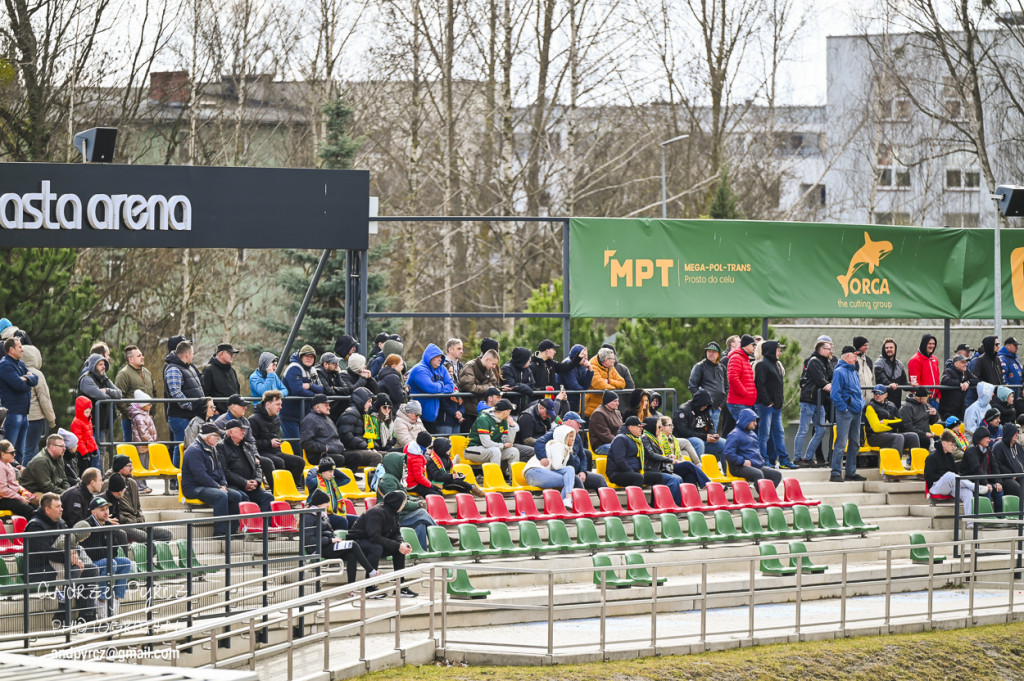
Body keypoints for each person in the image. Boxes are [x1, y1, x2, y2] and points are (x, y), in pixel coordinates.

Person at [25, 493, 100, 624]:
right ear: (47, 509)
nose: (62, 509)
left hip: (61, 565)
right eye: (58, 506)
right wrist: (69, 558)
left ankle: (87, 616)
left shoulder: (61, 522)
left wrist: (74, 555)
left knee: (92, 569)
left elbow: (71, 542)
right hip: (38, 570)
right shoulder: (34, 526)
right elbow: (45, 552)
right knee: (73, 570)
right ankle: (62, 614)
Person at [346, 490, 417, 597]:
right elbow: (374, 537)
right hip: (358, 541)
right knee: (376, 547)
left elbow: (396, 533)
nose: (404, 504)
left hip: (373, 541)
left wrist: (401, 544)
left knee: (399, 550)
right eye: (403, 502)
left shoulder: (394, 513)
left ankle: (400, 587)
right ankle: (369, 587)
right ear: (396, 503)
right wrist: (397, 545)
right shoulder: (376, 512)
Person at [181, 422, 246, 538]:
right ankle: (220, 532)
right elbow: (200, 476)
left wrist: (223, 484)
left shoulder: (213, 448)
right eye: (217, 436)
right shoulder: (194, 450)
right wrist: (217, 486)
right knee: (221, 495)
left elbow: (220, 470)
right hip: (194, 487)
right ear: (209, 436)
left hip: (210, 485)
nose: (219, 439)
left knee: (236, 495)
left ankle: (232, 531)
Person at [303, 488, 377, 588]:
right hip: (318, 549)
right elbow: (309, 541)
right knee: (353, 544)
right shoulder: (309, 517)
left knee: (352, 554)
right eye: (326, 503)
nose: (328, 505)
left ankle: (351, 589)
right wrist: (330, 540)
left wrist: (335, 539)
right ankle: (371, 571)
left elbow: (328, 532)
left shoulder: (323, 515)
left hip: (328, 545)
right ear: (319, 504)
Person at [73, 496, 132, 617]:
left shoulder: (107, 525)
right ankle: (102, 601)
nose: (106, 512)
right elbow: (93, 553)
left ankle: (115, 600)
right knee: (111, 562)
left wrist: (108, 544)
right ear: (93, 512)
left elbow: (114, 550)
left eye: (107, 509)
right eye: (102, 509)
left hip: (104, 560)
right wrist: (107, 550)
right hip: (90, 564)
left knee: (125, 562)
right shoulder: (88, 525)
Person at [605, 416, 683, 503]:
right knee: (638, 477)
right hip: (618, 473)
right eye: (639, 426)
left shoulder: (636, 439)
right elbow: (620, 460)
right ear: (630, 427)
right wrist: (632, 472)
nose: (641, 429)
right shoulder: (621, 439)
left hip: (636, 472)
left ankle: (657, 504)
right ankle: (636, 506)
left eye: (642, 427)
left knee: (657, 477)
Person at [374, 452, 437, 551]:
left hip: (399, 515)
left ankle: (421, 551)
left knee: (420, 524)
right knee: (422, 513)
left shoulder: (394, 479)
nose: (404, 466)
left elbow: (406, 497)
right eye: (402, 464)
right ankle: (439, 534)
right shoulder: (388, 480)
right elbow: (397, 503)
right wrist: (417, 505)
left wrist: (417, 500)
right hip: (391, 518)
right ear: (394, 464)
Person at [103, 454, 172, 542]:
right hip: (123, 525)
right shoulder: (109, 484)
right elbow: (113, 511)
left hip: (137, 523)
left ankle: (146, 555)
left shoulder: (132, 482)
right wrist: (129, 520)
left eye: (132, 465)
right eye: (129, 466)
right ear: (120, 469)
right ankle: (146, 552)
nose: (132, 468)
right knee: (143, 536)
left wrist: (140, 519)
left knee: (166, 534)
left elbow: (138, 508)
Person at [534, 411, 606, 491]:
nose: (580, 425)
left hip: (577, 471)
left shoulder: (577, 436)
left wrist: (583, 471)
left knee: (600, 479)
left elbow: (582, 456)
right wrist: (543, 457)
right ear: (569, 422)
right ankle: (582, 502)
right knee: (576, 480)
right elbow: (539, 442)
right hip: (563, 473)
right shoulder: (556, 432)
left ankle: (609, 503)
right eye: (578, 422)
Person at [248, 390, 307, 487]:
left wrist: (277, 442)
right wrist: (269, 443)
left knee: (299, 461)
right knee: (278, 462)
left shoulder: (276, 418)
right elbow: (251, 444)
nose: (280, 407)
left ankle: (291, 487)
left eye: (281, 404)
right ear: (268, 404)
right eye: (277, 404)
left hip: (276, 452)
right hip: (261, 453)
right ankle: (279, 489)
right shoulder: (253, 419)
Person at [925, 429, 989, 517]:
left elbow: (956, 474)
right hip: (935, 486)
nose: (953, 447)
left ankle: (969, 522)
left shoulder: (950, 457)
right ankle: (975, 487)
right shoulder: (931, 457)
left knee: (967, 492)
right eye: (951, 445)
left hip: (950, 486)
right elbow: (929, 477)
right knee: (949, 475)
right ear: (944, 444)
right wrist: (944, 476)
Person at [218, 418, 275, 513]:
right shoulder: (220, 447)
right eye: (241, 429)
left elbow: (257, 467)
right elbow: (225, 471)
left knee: (268, 497)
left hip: (252, 486)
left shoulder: (247, 446)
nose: (244, 432)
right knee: (243, 497)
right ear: (231, 432)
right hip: (233, 486)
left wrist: (257, 481)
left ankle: (265, 526)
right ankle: (249, 526)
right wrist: (244, 483)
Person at [753, 340, 795, 469]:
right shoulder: (762, 364)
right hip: (765, 406)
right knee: (764, 434)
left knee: (779, 433)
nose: (780, 352)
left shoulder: (776, 364)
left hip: (776, 407)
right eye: (778, 350)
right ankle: (762, 459)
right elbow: (759, 385)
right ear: (771, 350)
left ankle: (783, 459)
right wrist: (767, 401)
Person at [464, 399, 530, 477]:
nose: (510, 413)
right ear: (505, 412)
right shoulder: (484, 418)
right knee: (495, 451)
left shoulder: (504, 420)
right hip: (472, 450)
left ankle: (512, 479)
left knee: (513, 451)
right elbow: (487, 443)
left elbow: (509, 442)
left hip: (491, 449)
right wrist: (503, 446)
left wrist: (512, 426)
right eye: (510, 411)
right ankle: (494, 478)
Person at [794, 339, 834, 467]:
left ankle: (808, 458)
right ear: (821, 350)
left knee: (821, 430)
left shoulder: (826, 362)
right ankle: (797, 458)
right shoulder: (814, 361)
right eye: (828, 349)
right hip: (808, 400)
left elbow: (831, 378)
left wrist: (830, 384)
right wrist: (828, 385)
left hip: (819, 401)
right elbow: (821, 380)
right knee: (803, 430)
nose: (830, 351)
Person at [830, 345, 866, 483]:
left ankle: (851, 472)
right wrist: (843, 408)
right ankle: (835, 473)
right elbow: (835, 394)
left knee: (855, 443)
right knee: (841, 443)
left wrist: (860, 403)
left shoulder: (853, 371)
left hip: (856, 410)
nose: (856, 357)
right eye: (854, 354)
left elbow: (857, 392)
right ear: (846, 356)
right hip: (846, 412)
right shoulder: (840, 372)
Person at [0, 337, 39, 464]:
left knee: (19, 454)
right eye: (19, 347)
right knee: (8, 452)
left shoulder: (20, 364)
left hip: (23, 414)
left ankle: (15, 479)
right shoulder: (5, 365)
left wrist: (26, 379)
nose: (22, 350)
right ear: (11, 350)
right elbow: (19, 384)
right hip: (12, 413)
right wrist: (27, 380)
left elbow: (35, 378)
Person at [405, 344, 459, 435]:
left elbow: (450, 386)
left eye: (441, 357)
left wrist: (436, 387)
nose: (440, 359)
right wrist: (441, 384)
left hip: (432, 417)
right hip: (417, 418)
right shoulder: (419, 369)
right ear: (430, 357)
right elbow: (430, 388)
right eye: (437, 357)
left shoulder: (442, 369)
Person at [723, 409, 783, 488]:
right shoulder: (734, 434)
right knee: (758, 474)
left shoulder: (752, 433)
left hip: (755, 465)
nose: (756, 423)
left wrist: (761, 460)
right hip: (739, 467)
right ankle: (763, 498)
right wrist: (742, 461)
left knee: (777, 474)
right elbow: (728, 453)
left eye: (756, 421)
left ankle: (768, 496)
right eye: (753, 421)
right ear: (746, 420)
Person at [163, 339, 205, 446]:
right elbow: (176, 393)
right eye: (193, 354)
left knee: (190, 446)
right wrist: (192, 405)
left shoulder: (189, 367)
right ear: (187, 355)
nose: (193, 356)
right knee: (181, 446)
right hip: (180, 416)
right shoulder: (173, 369)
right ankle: (178, 464)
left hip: (190, 415)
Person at [522, 424, 578, 505]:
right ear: (563, 437)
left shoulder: (565, 449)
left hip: (541, 473)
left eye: (573, 436)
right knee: (567, 478)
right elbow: (557, 466)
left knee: (569, 471)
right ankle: (562, 503)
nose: (573, 439)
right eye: (570, 436)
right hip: (534, 472)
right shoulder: (557, 445)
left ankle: (565, 501)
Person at [114, 345, 156, 445]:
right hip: (130, 421)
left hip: (148, 419)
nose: (143, 357)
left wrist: (152, 413)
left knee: (148, 448)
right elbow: (118, 398)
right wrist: (130, 415)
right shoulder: (123, 374)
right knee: (132, 448)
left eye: (141, 355)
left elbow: (154, 393)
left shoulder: (147, 373)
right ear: (131, 359)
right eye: (139, 356)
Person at [300, 394, 354, 470]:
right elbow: (305, 443)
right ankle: (335, 478)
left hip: (334, 452)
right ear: (317, 407)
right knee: (339, 459)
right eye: (326, 405)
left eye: (328, 405)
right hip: (318, 455)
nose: (329, 407)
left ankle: (347, 477)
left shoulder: (327, 418)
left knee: (355, 457)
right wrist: (325, 448)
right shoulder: (310, 420)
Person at [864, 385, 919, 459]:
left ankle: (915, 463)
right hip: (874, 437)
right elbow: (876, 428)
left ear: (886, 395)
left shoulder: (891, 405)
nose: (877, 395)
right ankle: (894, 465)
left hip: (890, 435)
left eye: (880, 393)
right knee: (898, 437)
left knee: (913, 436)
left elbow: (901, 422)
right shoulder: (870, 407)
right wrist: (893, 424)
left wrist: (885, 422)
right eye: (875, 393)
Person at [336, 387, 386, 468]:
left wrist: (373, 447)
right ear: (361, 400)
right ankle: (370, 479)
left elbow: (368, 436)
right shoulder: (351, 413)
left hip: (361, 447)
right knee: (376, 457)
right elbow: (346, 436)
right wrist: (365, 447)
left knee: (389, 456)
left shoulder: (363, 414)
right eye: (369, 401)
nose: (371, 405)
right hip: (350, 450)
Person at [281, 345, 325, 439]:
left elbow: (321, 388)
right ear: (301, 357)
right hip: (290, 415)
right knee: (295, 445)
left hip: (306, 415)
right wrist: (315, 395)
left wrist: (309, 385)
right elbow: (297, 390)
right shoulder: (293, 368)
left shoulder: (312, 369)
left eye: (311, 357)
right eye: (306, 356)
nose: (309, 359)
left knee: (306, 444)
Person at [672, 388, 725, 464]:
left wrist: (712, 435)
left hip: (704, 438)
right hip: (687, 440)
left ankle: (728, 472)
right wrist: (704, 437)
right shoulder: (683, 411)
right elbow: (683, 431)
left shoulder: (705, 410)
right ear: (698, 403)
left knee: (724, 443)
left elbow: (711, 426)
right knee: (698, 442)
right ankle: (699, 471)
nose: (705, 407)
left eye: (707, 405)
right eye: (704, 405)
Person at [653, 416, 709, 487]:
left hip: (675, 465)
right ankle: (707, 483)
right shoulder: (658, 440)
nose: (672, 427)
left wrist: (681, 463)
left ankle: (692, 497)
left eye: (672, 425)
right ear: (662, 427)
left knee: (690, 475)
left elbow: (680, 456)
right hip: (665, 467)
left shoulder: (674, 440)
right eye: (669, 425)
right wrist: (679, 462)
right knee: (688, 464)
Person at [22, 344, 55, 458]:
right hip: (34, 418)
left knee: (19, 449)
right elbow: (44, 399)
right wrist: (51, 419)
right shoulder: (37, 374)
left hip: (18, 416)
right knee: (30, 450)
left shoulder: (15, 371)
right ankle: (28, 475)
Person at [961, 426, 1004, 514]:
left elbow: (995, 467)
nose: (989, 440)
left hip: (983, 481)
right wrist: (985, 483)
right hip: (971, 482)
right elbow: (976, 469)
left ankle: (999, 517)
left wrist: (998, 482)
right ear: (979, 439)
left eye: (989, 438)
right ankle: (987, 517)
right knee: (985, 490)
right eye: (986, 438)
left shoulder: (987, 450)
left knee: (999, 490)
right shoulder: (971, 450)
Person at [688, 341, 726, 431]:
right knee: (704, 433)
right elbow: (692, 386)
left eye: (713, 352)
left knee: (713, 433)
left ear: (718, 354)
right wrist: (702, 403)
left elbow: (726, 387)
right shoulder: (699, 366)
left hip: (717, 408)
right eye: (709, 351)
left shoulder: (722, 367)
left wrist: (722, 404)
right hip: (704, 408)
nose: (711, 354)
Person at [458, 348, 503, 422]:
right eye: (493, 364)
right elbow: (469, 386)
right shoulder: (470, 366)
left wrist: (485, 387)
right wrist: (488, 388)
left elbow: (494, 384)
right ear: (487, 359)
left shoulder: (489, 369)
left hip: (483, 410)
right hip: (469, 411)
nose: (494, 367)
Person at [126, 391, 156, 493]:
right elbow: (143, 433)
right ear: (143, 405)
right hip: (142, 445)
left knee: (145, 465)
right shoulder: (139, 417)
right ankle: (140, 486)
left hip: (146, 446)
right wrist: (151, 441)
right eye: (148, 404)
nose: (151, 405)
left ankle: (143, 485)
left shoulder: (145, 414)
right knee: (141, 465)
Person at [584, 347, 625, 417]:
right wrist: (615, 386)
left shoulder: (610, 367)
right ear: (606, 360)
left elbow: (622, 383)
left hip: (604, 411)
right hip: (591, 411)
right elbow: (601, 386)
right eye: (613, 359)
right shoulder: (593, 367)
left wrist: (609, 381)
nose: (614, 361)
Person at [201, 343, 241, 413]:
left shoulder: (232, 370)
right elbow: (205, 393)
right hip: (217, 415)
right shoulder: (209, 370)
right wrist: (214, 410)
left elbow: (237, 389)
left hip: (233, 413)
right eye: (230, 354)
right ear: (222, 354)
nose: (233, 356)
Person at [0, 439, 36, 518]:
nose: (15, 455)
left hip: (11, 497)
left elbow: (13, 484)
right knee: (29, 511)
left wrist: (23, 494)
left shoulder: (8, 464)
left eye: (14, 452)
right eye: (12, 453)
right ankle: (34, 528)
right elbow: (2, 490)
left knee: (37, 508)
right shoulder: (1, 467)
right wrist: (20, 497)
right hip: (3, 500)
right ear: (3, 454)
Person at [725, 335, 757, 423]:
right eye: (752, 344)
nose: (754, 347)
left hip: (744, 402)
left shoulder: (744, 358)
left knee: (746, 430)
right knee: (744, 429)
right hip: (739, 402)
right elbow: (732, 378)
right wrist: (744, 393)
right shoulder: (736, 357)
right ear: (745, 345)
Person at [556, 344, 593, 414]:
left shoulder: (582, 366)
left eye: (587, 357)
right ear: (577, 356)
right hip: (563, 402)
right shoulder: (567, 363)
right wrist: (583, 391)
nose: (586, 359)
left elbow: (585, 385)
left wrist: (590, 372)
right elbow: (573, 385)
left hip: (574, 401)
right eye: (584, 357)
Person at [906, 334, 940, 407]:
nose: (932, 346)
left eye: (933, 344)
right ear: (924, 344)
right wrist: (922, 398)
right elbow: (915, 382)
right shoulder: (915, 360)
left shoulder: (934, 359)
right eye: (929, 343)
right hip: (923, 400)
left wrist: (938, 397)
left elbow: (937, 379)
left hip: (934, 399)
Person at [69, 395, 100, 474]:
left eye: (89, 412)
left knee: (89, 470)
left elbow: (90, 436)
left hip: (88, 451)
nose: (88, 414)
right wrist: (84, 453)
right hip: (81, 452)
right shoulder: (77, 422)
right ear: (80, 410)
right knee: (83, 471)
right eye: (86, 412)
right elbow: (78, 439)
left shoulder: (88, 420)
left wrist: (94, 448)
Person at [501, 347, 538, 414]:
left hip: (523, 410)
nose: (530, 360)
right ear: (522, 360)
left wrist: (520, 386)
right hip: (508, 412)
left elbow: (532, 384)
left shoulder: (527, 369)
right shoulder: (506, 369)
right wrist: (526, 388)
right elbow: (511, 385)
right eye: (527, 358)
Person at [991, 423, 1024, 498]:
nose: (1017, 435)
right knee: (1017, 489)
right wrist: (1011, 474)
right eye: (1014, 433)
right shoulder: (999, 447)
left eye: (1017, 433)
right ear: (1009, 434)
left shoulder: (1018, 446)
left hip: (1021, 476)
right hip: (1006, 478)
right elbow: (997, 465)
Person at [940, 354, 976, 421]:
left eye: (966, 362)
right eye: (963, 362)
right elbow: (945, 380)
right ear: (956, 364)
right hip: (948, 409)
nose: (966, 364)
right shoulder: (949, 371)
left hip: (960, 408)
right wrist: (959, 384)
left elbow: (976, 380)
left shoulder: (966, 371)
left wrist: (968, 382)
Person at [874, 337, 908, 407]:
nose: (889, 349)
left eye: (891, 347)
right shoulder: (879, 363)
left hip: (896, 404)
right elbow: (881, 378)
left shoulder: (900, 365)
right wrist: (890, 384)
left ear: (895, 349)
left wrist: (912, 385)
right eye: (886, 348)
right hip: (882, 404)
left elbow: (904, 384)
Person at [313, 352, 346, 421]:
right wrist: (338, 390)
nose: (337, 365)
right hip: (323, 407)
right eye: (334, 363)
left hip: (330, 406)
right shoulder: (319, 372)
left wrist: (337, 375)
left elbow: (346, 389)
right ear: (325, 364)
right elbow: (328, 391)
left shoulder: (333, 372)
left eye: (337, 363)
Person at [999, 337, 1023, 405]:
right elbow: (1003, 376)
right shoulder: (1003, 359)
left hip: (1017, 393)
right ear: (1008, 346)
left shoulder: (1014, 358)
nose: (1017, 348)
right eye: (1015, 345)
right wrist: (1009, 391)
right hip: (1010, 395)